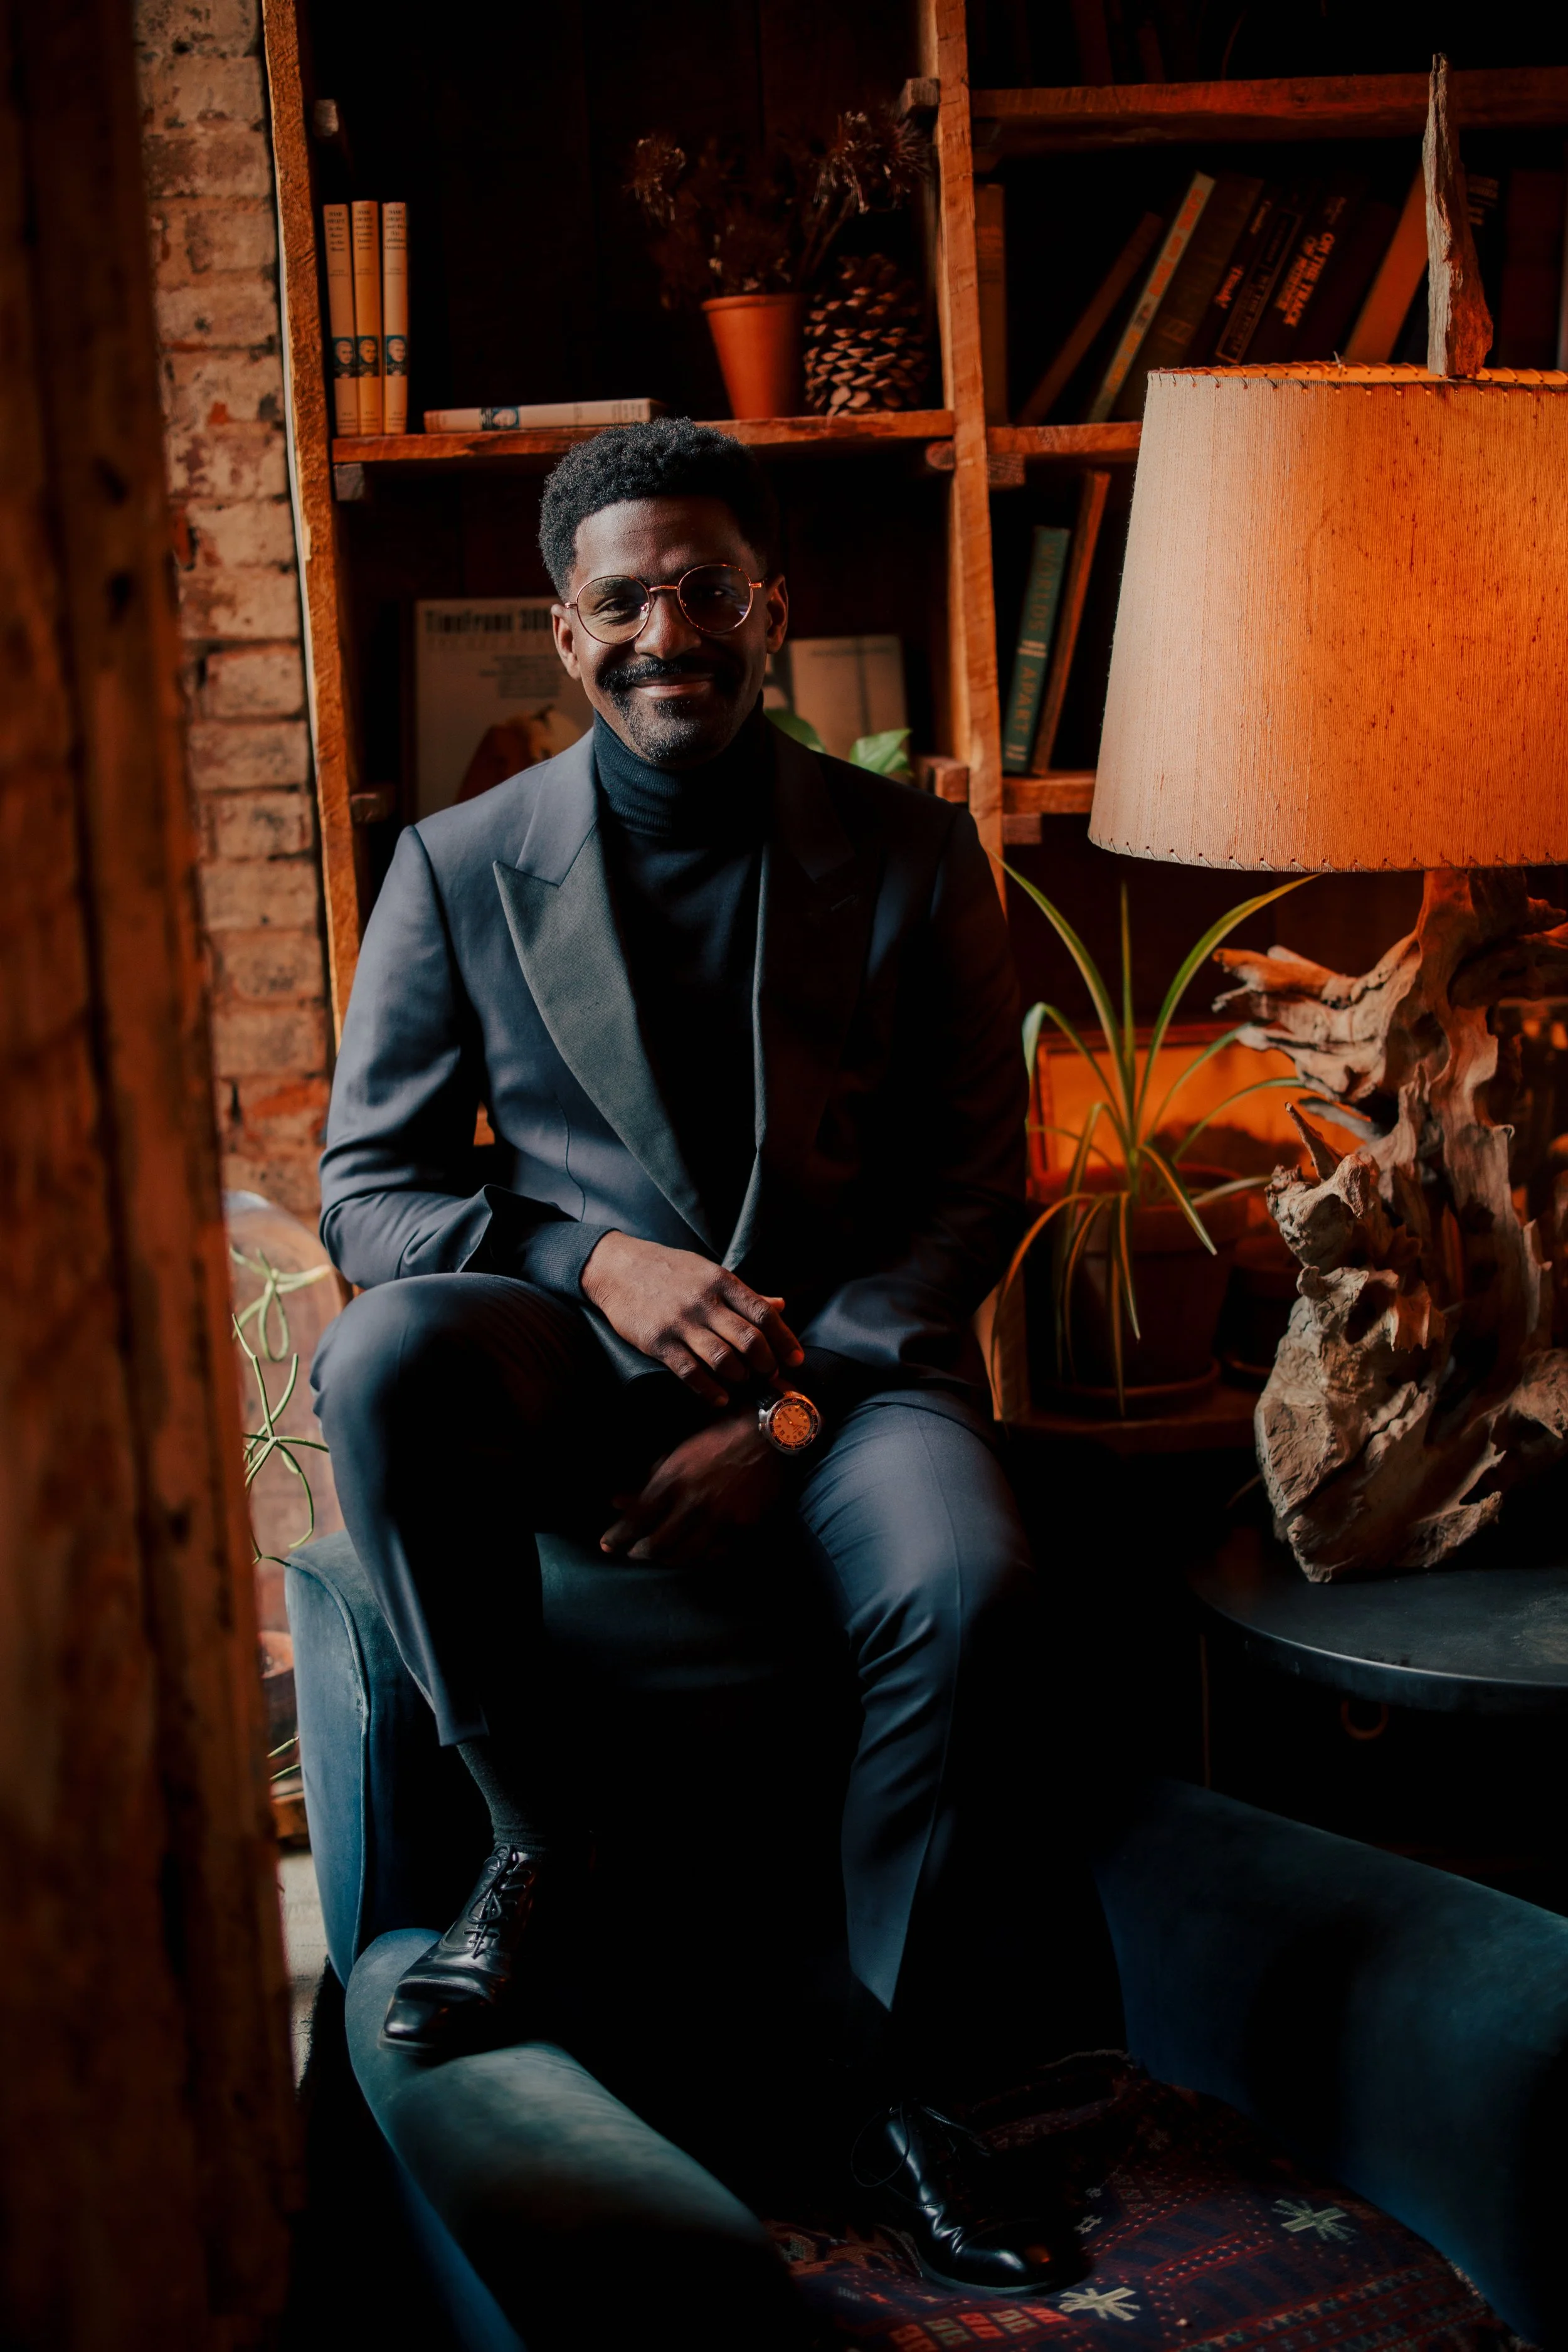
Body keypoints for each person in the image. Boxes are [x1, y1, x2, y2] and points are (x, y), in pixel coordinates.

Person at [312, 418, 1087, 2296]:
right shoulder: (455, 864)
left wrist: (794, 1407)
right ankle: (530, 1842)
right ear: (567, 631)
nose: (669, 632)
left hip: (847, 1379)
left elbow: (971, 1189)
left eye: (707, 591)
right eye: (626, 599)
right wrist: (593, 1261)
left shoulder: (916, 856)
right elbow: (371, 1193)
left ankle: (882, 2079)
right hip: (570, 1371)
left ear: (772, 611)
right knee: (384, 1358)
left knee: (968, 1579)